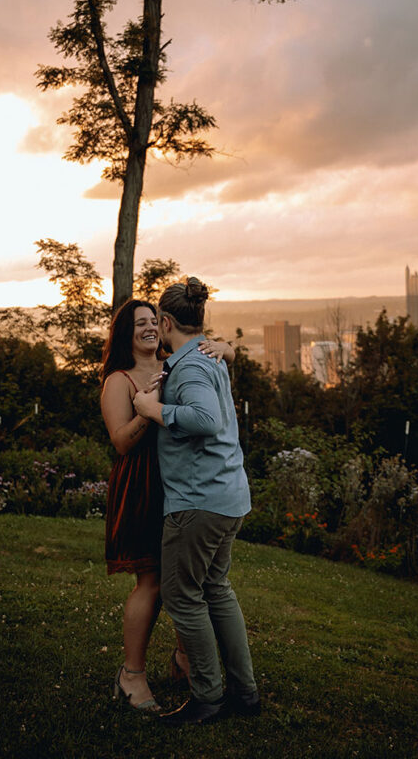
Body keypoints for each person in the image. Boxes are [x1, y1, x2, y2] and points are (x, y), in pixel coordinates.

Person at [133, 278, 260, 725]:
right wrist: (227, 349)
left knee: (183, 597)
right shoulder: (207, 355)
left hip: (199, 502)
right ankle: (244, 693)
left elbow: (204, 419)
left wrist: (155, 412)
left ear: (166, 322)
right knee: (216, 591)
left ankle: (208, 696)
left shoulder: (189, 367)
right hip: (228, 497)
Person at [100, 297, 233, 713]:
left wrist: (228, 348)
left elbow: (215, 352)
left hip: (180, 482)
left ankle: (183, 658)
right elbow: (121, 442)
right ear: (126, 333)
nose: (149, 328)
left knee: (186, 580)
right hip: (141, 486)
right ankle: (131, 675)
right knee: (153, 582)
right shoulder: (118, 380)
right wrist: (147, 410)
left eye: (152, 321)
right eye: (139, 323)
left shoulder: (175, 363)